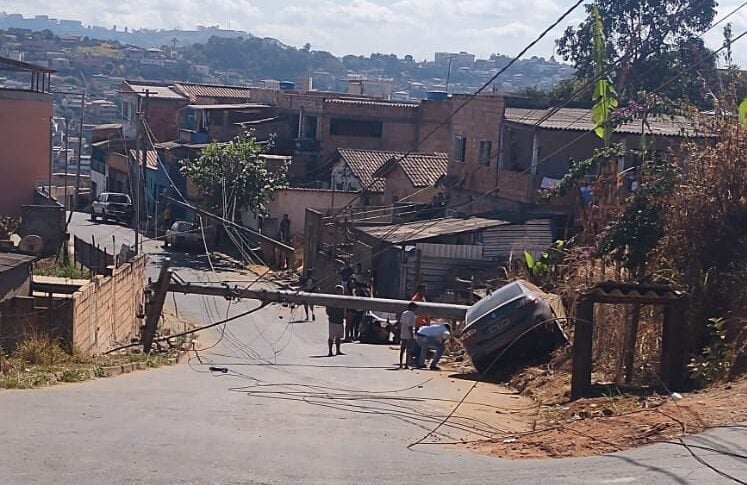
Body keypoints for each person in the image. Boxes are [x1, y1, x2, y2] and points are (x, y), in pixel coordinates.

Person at [326, 285, 346, 356]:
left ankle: (338, 350)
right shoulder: (332, 299)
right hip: (333, 321)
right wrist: (332, 315)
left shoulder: (343, 300)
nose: (342, 292)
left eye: (342, 291)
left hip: (340, 321)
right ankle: (330, 351)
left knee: (338, 337)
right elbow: (328, 310)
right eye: (340, 291)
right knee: (331, 337)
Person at [398, 302, 417, 369]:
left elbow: (401, 322)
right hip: (408, 334)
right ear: (412, 307)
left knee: (402, 349)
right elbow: (410, 326)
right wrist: (412, 335)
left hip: (403, 332)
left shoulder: (404, 313)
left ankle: (400, 364)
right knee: (408, 350)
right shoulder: (412, 315)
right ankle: (406, 364)